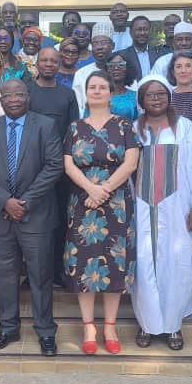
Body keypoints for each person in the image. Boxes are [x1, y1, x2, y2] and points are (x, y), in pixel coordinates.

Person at [0, 79, 63, 356]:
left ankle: (45, 331)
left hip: (36, 216)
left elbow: (54, 166)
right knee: (5, 277)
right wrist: (5, 201)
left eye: (19, 94)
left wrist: (25, 202)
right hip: (2, 216)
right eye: (8, 95)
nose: (13, 99)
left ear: (28, 97)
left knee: (40, 277)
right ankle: (8, 328)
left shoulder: (46, 126)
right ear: (1, 100)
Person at [63, 70, 140, 355]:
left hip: (116, 201)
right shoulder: (75, 127)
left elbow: (131, 163)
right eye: (92, 87)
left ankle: (109, 326)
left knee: (114, 263)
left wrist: (103, 190)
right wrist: (90, 190)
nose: (96, 91)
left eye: (102, 87)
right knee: (84, 263)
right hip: (82, 202)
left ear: (110, 94)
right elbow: (68, 164)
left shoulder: (124, 125)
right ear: (86, 93)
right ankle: (88, 328)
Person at [131, 75, 192, 351]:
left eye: (161, 93)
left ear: (169, 96)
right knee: (144, 264)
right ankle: (147, 324)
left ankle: (174, 325)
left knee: (178, 264)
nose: (156, 99)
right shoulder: (133, 130)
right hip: (141, 209)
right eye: (150, 95)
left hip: (178, 209)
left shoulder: (186, 128)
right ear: (141, 100)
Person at [29, 47, 81, 287]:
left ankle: (59, 272)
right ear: (37, 64)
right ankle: (34, 274)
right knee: (33, 221)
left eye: (53, 61)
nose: (49, 64)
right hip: (31, 167)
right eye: (44, 60)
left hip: (60, 168)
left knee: (59, 220)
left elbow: (73, 131)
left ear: (59, 64)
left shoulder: (67, 94)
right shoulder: (27, 92)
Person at [150, 22, 192, 99]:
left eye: (188, 39)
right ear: (173, 42)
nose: (184, 43)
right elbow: (154, 87)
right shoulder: (161, 62)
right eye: (180, 39)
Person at [72, 23, 116, 113]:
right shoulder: (81, 73)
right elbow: (78, 106)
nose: (99, 47)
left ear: (113, 46)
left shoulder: (122, 72)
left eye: (103, 42)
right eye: (95, 43)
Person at [92, 52, 139, 121]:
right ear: (106, 70)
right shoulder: (96, 95)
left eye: (121, 65)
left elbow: (139, 123)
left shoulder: (136, 96)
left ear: (128, 69)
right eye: (111, 65)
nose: (116, 68)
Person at [120, 16, 162, 80]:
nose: (142, 33)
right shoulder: (122, 56)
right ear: (131, 33)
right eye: (138, 30)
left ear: (150, 32)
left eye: (145, 29)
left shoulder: (159, 54)